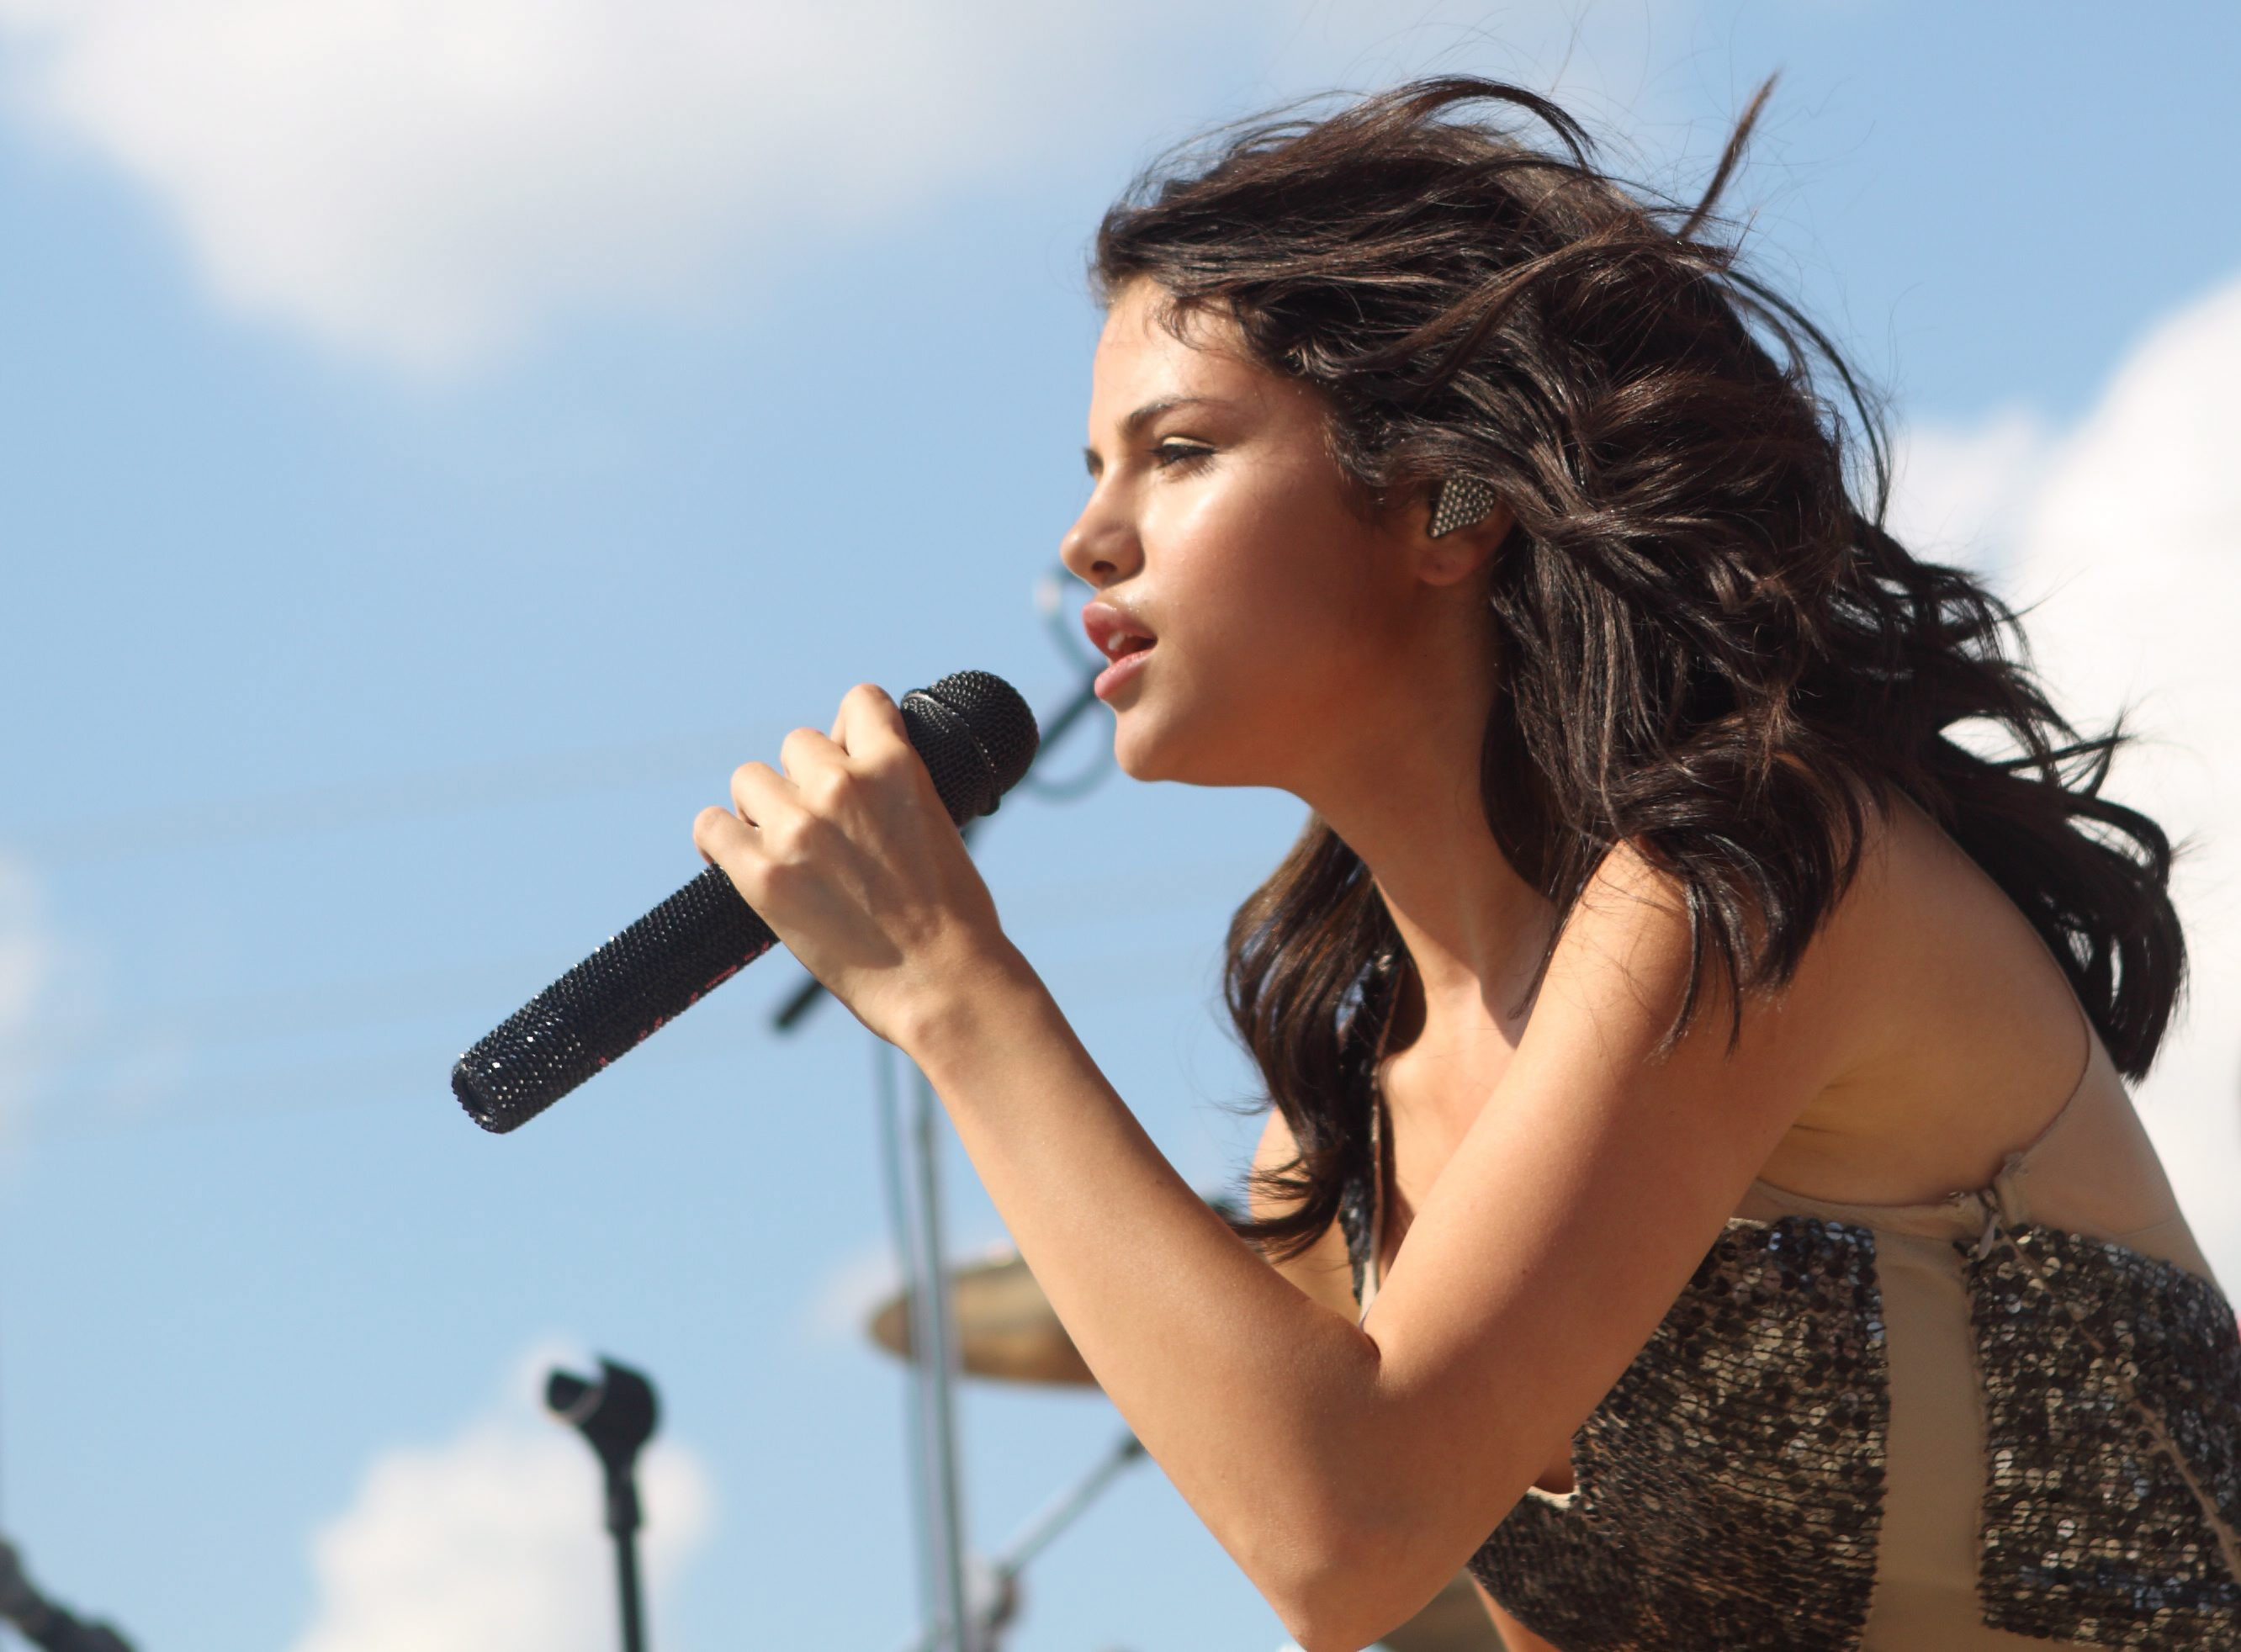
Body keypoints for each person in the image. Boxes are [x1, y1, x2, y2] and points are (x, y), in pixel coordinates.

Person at [695, 78, 2241, 1652]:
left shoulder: (1748, 884)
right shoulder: (1352, 1107)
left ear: (1449, 498)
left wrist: (952, 987)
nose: (1091, 539)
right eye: (1094, 470)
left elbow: (1339, 1532)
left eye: (1175, 452)